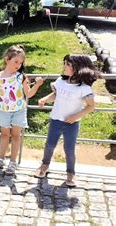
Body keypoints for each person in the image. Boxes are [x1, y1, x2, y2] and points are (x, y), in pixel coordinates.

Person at [34, 54, 100, 187]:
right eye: (65, 63)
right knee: (50, 145)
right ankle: (44, 165)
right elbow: (56, 94)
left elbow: (91, 106)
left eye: (68, 64)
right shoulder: (60, 81)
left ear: (78, 68)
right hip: (56, 120)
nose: (64, 66)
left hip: (72, 124)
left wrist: (75, 116)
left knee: (69, 149)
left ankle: (71, 173)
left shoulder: (84, 88)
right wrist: (45, 99)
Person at [0, 45, 44, 175]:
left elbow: (28, 94)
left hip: (19, 110)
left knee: (15, 136)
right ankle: (1, 159)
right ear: (7, 59)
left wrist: (37, 85)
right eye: (16, 62)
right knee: (4, 135)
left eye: (20, 63)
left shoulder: (21, 77)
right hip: (4, 110)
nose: (18, 65)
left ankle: (13, 162)